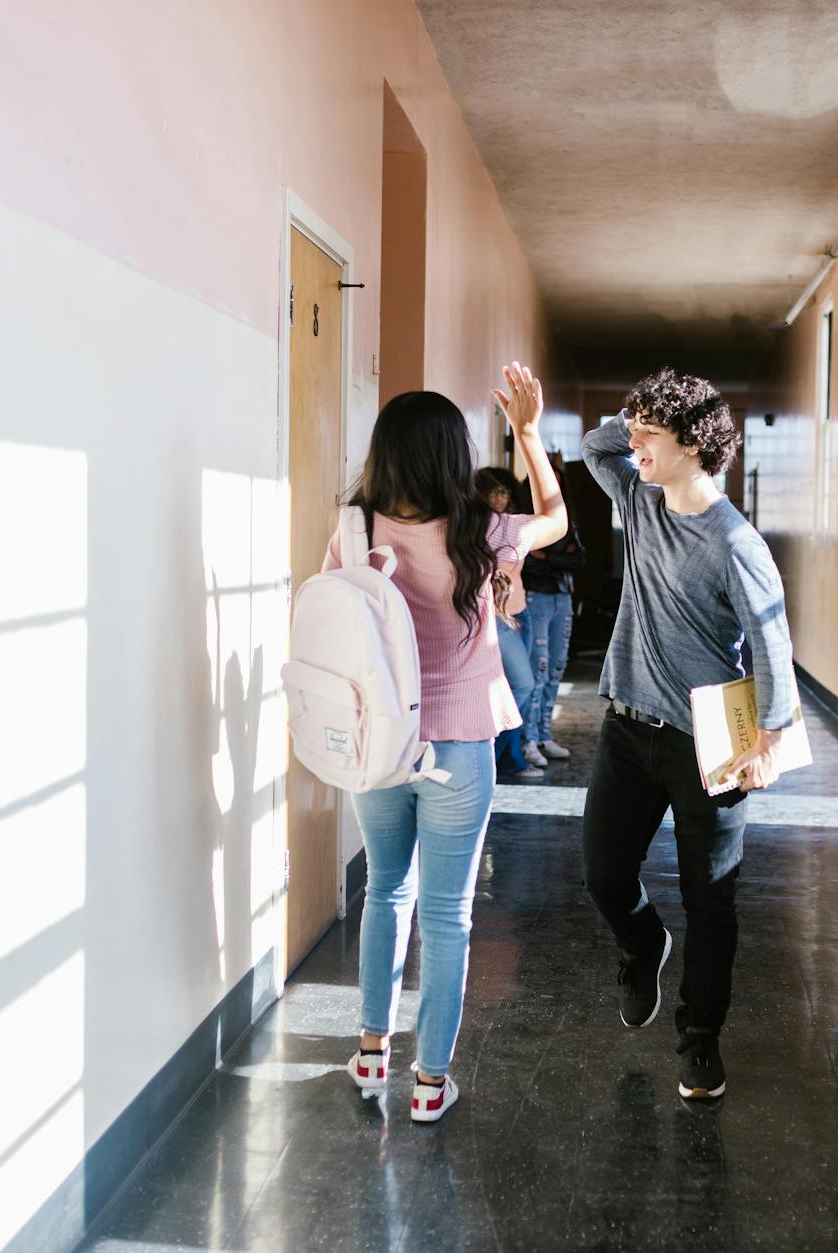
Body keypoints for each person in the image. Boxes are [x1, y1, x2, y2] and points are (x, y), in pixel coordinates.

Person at [339, 365, 566, 1123]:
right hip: (459, 747)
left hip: (380, 743)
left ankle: (372, 1050)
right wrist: (527, 433)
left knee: (384, 889)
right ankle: (430, 1082)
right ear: (452, 455)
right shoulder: (483, 531)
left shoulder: (354, 530)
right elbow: (556, 517)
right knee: (446, 914)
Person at [580, 368, 798, 1102]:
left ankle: (700, 1037)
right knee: (604, 873)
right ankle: (644, 944)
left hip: (709, 744)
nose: (635, 442)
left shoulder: (736, 543)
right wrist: (640, 413)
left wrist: (769, 739)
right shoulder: (638, 500)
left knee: (711, 898)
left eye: (651, 433)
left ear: (695, 444)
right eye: (636, 429)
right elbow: (596, 447)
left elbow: (771, 645)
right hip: (626, 727)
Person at [473, 467, 543, 780]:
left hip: (521, 611)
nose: (501, 497)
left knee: (518, 685)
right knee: (523, 684)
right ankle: (494, 750)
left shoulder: (513, 525)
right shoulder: (475, 528)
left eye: (505, 491)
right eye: (494, 491)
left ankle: (509, 757)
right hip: (496, 617)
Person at [521, 451, 583, 761]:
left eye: (556, 480)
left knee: (557, 666)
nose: (550, 486)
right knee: (538, 669)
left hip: (562, 598)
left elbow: (579, 559)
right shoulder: (522, 516)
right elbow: (528, 563)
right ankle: (528, 739)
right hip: (536, 598)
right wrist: (559, 558)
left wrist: (548, 557)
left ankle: (545, 735)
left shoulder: (567, 517)